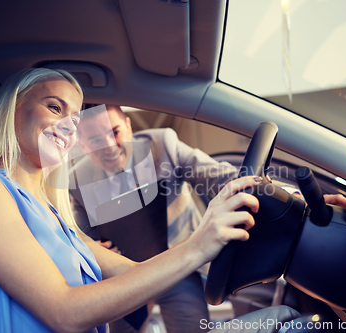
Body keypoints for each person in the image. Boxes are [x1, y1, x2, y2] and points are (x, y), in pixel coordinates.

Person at [0, 67, 301, 333]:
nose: (69, 126)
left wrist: (285, 197)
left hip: (168, 264)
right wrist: (199, 245)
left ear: (127, 125)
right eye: (54, 107)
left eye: (75, 118)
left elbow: (130, 271)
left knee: (283, 317)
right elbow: (64, 312)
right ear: (12, 109)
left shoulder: (48, 209)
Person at [69, 105, 240, 333]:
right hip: (124, 278)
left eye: (115, 132)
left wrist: (267, 189)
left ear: (129, 127)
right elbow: (82, 242)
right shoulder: (77, 183)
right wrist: (95, 251)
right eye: (95, 140)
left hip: (178, 264)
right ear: (83, 146)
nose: (109, 146)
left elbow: (218, 176)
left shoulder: (162, 145)